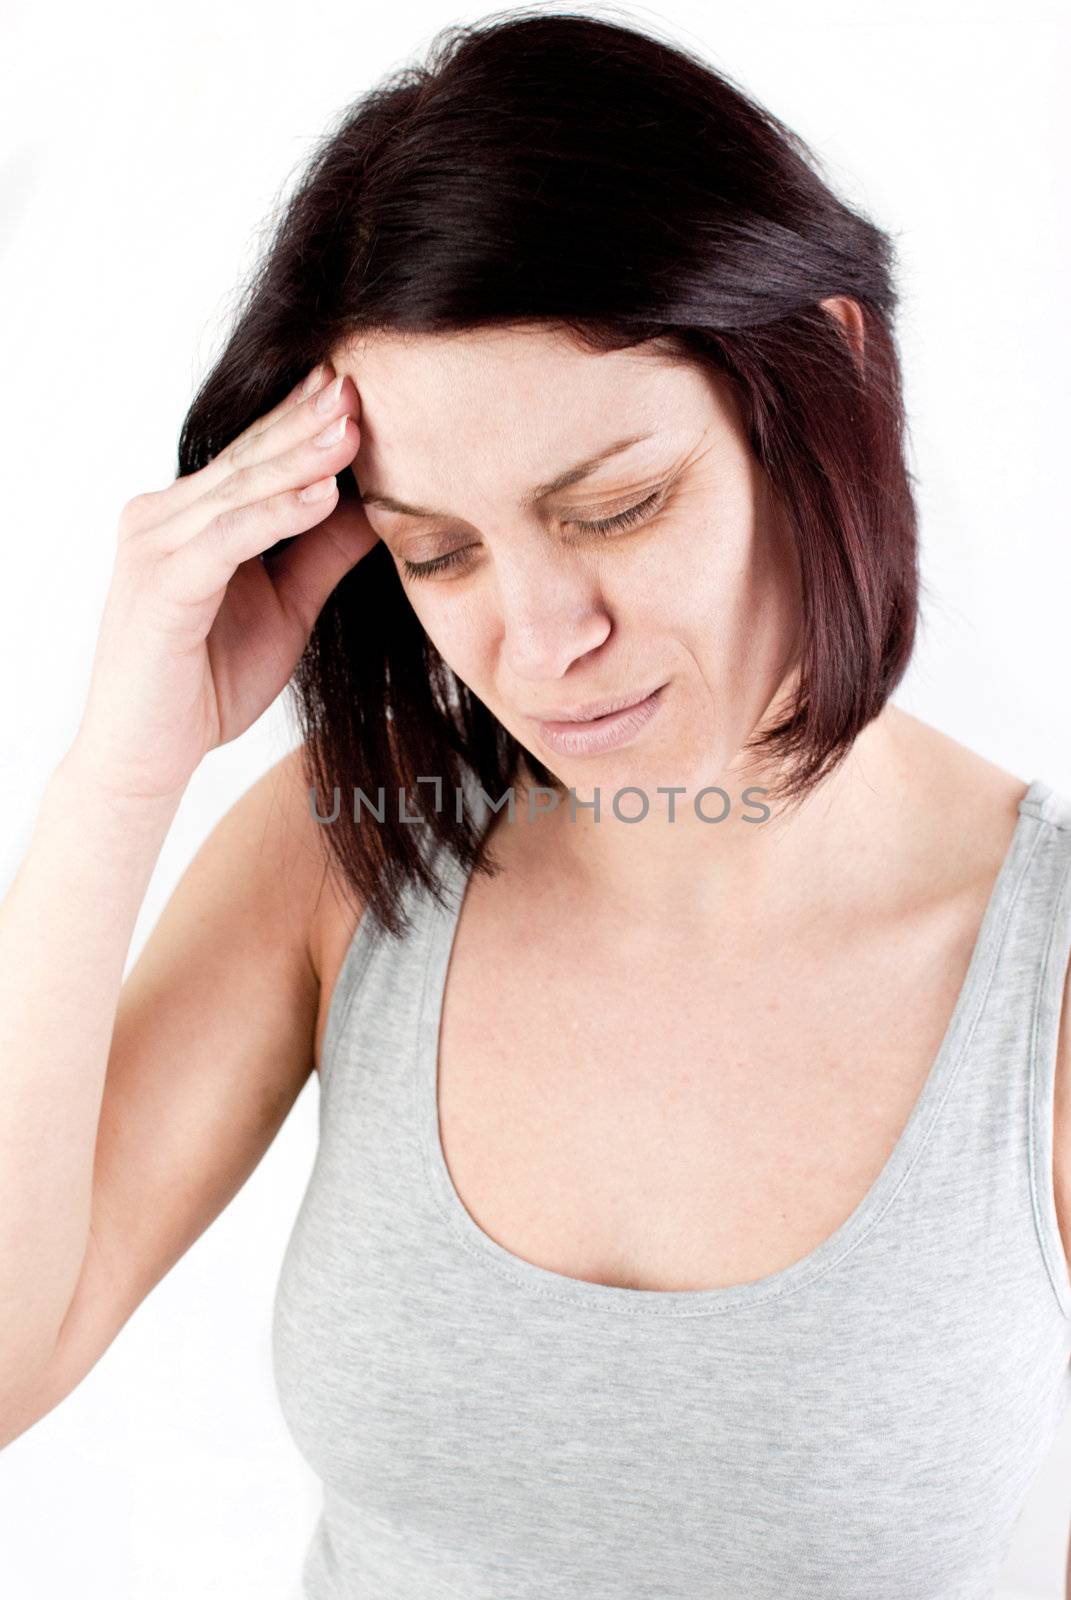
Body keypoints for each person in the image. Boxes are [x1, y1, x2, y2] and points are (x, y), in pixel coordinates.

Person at [2, 8, 1069, 1597]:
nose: (542, 641)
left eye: (619, 508)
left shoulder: (1040, 974)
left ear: (828, 373)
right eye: (439, 550)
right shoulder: (346, 859)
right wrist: (120, 777)